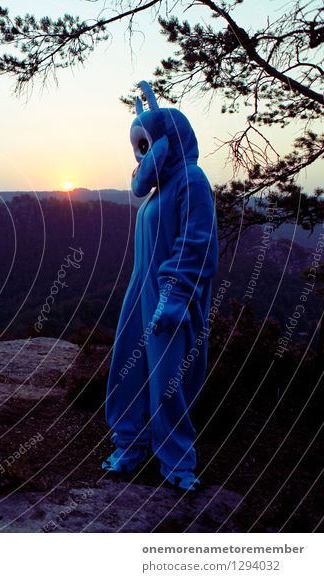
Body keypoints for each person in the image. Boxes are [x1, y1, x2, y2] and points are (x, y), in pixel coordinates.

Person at [102, 81, 219, 492]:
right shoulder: (158, 190)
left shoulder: (193, 181)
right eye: (142, 146)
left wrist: (173, 300)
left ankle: (176, 462)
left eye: (151, 143)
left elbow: (196, 245)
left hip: (170, 299)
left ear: (172, 140)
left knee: (169, 379)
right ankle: (130, 445)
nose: (145, 155)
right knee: (127, 372)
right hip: (141, 293)